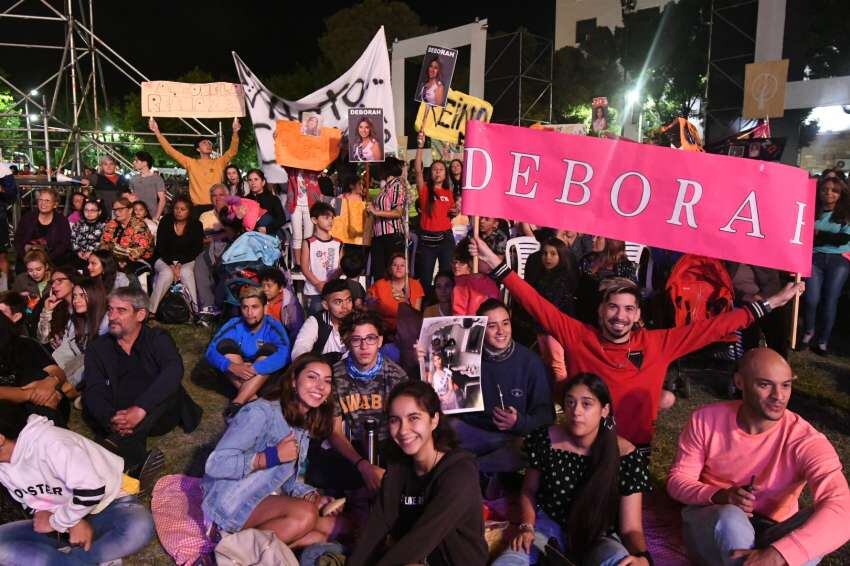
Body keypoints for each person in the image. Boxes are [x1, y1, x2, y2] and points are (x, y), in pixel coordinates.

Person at [470, 237, 805, 449]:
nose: (620, 316)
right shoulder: (578, 336)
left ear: (638, 315)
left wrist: (772, 302)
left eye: (629, 309)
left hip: (634, 450)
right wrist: (497, 265)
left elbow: (718, 326)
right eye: (612, 307)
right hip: (584, 444)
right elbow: (534, 302)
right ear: (600, 310)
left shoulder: (660, 343)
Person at [667, 348, 850, 566]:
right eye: (765, 385)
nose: (778, 396)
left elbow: (843, 509)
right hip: (712, 520)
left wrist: (778, 554)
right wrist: (719, 495)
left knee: (819, 523)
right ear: (739, 382)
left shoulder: (805, 439)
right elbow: (677, 482)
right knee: (731, 518)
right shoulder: (706, 420)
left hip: (775, 530)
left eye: (786, 385)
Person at [493, 373, 651, 566]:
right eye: (570, 402)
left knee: (619, 561)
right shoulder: (545, 439)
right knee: (510, 560)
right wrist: (527, 526)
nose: (576, 411)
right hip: (546, 526)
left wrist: (643, 558)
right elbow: (529, 490)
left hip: (598, 534)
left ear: (604, 410)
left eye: (586, 404)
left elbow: (631, 529)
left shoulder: (626, 456)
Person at [202, 354, 341, 547]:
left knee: (334, 527)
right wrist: (267, 457)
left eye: (327, 381)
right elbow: (215, 464)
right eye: (312, 377)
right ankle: (233, 551)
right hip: (230, 504)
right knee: (305, 516)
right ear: (293, 381)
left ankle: (248, 550)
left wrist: (312, 496)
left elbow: (286, 479)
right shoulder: (261, 413)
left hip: (265, 498)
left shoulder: (303, 423)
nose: (320, 386)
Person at [348, 380, 487, 566]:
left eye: (413, 418)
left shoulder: (459, 472)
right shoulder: (398, 469)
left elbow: (425, 535)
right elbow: (376, 527)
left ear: (434, 420)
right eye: (395, 420)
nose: (403, 430)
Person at [0, 412, 155, 565]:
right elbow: (29, 500)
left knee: (139, 527)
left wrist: (62, 522)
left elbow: (92, 491)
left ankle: (70, 560)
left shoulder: (51, 442)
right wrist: (63, 522)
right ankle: (79, 555)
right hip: (59, 521)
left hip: (107, 507)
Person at [82, 286, 202, 471]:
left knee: (169, 386)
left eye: (121, 310)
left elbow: (174, 369)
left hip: (158, 415)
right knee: (97, 397)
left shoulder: (156, 338)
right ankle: (133, 467)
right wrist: (111, 418)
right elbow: (93, 388)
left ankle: (115, 446)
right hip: (120, 417)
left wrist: (141, 408)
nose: (112, 316)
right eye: (110, 309)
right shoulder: (99, 348)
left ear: (140, 315)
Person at [449, 299, 554, 474]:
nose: (501, 331)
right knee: (447, 428)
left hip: (512, 437)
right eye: (492, 326)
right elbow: (439, 397)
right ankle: (469, 467)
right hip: (473, 433)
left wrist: (519, 421)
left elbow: (546, 417)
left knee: (524, 449)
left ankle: (469, 468)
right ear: (481, 330)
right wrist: (422, 362)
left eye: (505, 323)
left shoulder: (530, 362)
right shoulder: (465, 356)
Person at [326, 310, 408, 492]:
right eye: (356, 340)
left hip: (391, 447)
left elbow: (405, 428)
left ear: (380, 341)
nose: (364, 346)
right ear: (347, 342)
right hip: (352, 451)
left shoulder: (397, 376)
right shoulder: (335, 375)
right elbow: (334, 431)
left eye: (370, 338)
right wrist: (362, 464)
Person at [205, 287, 291, 420]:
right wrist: (230, 366)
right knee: (224, 345)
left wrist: (254, 369)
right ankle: (253, 399)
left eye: (255, 307)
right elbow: (210, 351)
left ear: (265, 307)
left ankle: (238, 402)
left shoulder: (273, 325)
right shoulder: (234, 324)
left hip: (264, 378)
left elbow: (285, 353)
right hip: (235, 376)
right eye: (245, 307)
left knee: (271, 349)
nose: (249, 313)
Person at [800, 175, 850, 356]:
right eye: (825, 189)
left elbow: (843, 239)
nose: (829, 193)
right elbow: (804, 234)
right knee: (811, 299)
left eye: (834, 190)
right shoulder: (811, 211)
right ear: (819, 191)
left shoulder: (845, 213)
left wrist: (818, 234)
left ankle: (822, 341)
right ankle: (808, 332)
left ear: (840, 193)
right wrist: (824, 236)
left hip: (839, 261)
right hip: (814, 258)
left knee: (830, 300)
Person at [149, 117, 240, 206]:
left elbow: (233, 151)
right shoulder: (191, 163)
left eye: (209, 143)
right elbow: (170, 151)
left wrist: (235, 132)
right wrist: (156, 131)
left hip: (218, 206)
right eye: (204, 143)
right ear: (198, 149)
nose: (208, 145)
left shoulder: (219, 162)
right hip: (198, 207)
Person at [530, 238, 579, 392]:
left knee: (558, 364)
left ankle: (561, 395)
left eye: (553, 254)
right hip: (542, 327)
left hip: (554, 329)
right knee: (545, 360)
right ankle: (550, 392)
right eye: (544, 253)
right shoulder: (541, 276)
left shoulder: (563, 278)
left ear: (561, 256)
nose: (548, 258)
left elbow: (555, 305)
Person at [0, 315, 68, 426]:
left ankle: (53, 434)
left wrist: (51, 382)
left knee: (35, 375)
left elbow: (57, 371)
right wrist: (30, 394)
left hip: (44, 404)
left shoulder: (25, 344)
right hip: (10, 412)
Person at [415, 131, 456, 295]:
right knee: (425, 278)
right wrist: (420, 146)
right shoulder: (425, 190)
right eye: (434, 169)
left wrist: (455, 210)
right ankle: (427, 307)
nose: (437, 171)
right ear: (430, 173)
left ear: (445, 174)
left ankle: (446, 306)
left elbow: (451, 212)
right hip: (427, 240)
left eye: (441, 169)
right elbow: (418, 170)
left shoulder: (449, 192)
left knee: (447, 276)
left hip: (446, 239)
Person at [50, 277, 108, 394]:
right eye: (75, 296)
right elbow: (66, 350)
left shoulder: (107, 322)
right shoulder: (75, 320)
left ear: (95, 297)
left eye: (82, 295)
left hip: (98, 370)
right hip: (77, 365)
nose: (76, 300)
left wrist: (71, 382)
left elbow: (99, 360)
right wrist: (54, 370)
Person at [149, 195, 204, 315]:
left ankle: (194, 311)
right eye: (176, 208)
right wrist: (170, 264)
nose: (179, 212)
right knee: (166, 274)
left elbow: (196, 249)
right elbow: (160, 246)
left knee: (186, 273)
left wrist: (179, 264)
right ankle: (152, 311)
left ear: (189, 211)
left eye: (183, 209)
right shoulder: (166, 221)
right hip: (163, 258)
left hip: (186, 259)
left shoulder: (196, 225)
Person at [195, 184, 236, 315]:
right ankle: (208, 306)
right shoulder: (205, 216)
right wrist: (220, 235)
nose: (217, 198)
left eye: (221, 195)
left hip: (229, 249)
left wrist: (215, 235)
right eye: (214, 195)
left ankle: (220, 303)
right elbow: (201, 238)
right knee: (200, 262)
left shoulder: (233, 212)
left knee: (227, 264)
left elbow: (233, 234)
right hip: (208, 249)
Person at [291, 278, 353, 363]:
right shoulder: (316, 322)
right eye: (338, 302)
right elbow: (299, 350)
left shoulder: (359, 321)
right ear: (325, 305)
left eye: (349, 300)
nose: (345, 307)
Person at [368, 157, 408, 282]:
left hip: (392, 235)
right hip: (379, 235)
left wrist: (376, 211)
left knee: (393, 273)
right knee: (379, 273)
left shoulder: (396, 186)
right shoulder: (386, 187)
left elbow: (398, 212)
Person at [302, 202, 343, 315]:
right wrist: (318, 284)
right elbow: (305, 268)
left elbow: (340, 267)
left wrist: (328, 284)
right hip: (313, 291)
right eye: (326, 217)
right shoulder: (308, 242)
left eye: (332, 218)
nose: (330, 221)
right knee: (315, 322)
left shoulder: (338, 243)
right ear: (314, 220)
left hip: (332, 290)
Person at [14, 188, 71, 268]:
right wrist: (26, 258)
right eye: (40, 200)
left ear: (55, 204)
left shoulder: (61, 221)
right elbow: (18, 240)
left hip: (53, 260)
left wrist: (46, 259)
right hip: (27, 259)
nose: (43, 203)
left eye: (47, 201)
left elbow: (64, 244)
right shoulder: (28, 217)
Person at [367, 253, 424, 334]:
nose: (398, 268)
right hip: (383, 330)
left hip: (407, 331)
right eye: (395, 265)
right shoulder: (378, 285)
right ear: (390, 269)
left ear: (408, 269)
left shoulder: (415, 285)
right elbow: (370, 313)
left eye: (402, 265)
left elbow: (416, 315)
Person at [100, 197, 154, 265]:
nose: (116, 213)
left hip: (139, 262)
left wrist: (114, 250)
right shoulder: (111, 223)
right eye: (115, 210)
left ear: (130, 210)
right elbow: (103, 244)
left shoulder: (140, 226)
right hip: (113, 260)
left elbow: (136, 252)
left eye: (120, 209)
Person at [36, 265, 80, 350]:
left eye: (59, 281)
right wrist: (47, 311)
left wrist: (65, 348)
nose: (53, 286)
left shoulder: (83, 306)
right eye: (52, 282)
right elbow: (42, 339)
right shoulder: (57, 307)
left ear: (72, 282)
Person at [260, 268, 304, 342]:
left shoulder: (291, 303)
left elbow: (296, 329)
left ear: (281, 288)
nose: (265, 289)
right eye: (263, 285)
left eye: (269, 286)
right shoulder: (259, 301)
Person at [330, 173, 367, 248]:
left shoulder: (362, 199)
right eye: (359, 184)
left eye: (362, 184)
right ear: (351, 186)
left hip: (356, 236)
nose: (362, 187)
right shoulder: (341, 197)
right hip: (345, 235)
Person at [245, 168, 285, 235]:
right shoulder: (245, 200)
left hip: (270, 234)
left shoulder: (273, 199)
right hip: (251, 235)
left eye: (256, 179)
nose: (253, 183)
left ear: (263, 182)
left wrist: (267, 229)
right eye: (250, 180)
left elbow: (281, 219)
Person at [129, 150, 166, 220]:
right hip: (135, 216)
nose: (133, 162)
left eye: (136, 161)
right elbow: (131, 197)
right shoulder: (133, 178)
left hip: (152, 216)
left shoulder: (157, 178)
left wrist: (156, 217)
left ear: (145, 163)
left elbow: (162, 199)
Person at [70, 198, 106, 269]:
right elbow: (73, 239)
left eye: (92, 210)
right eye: (86, 210)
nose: (89, 213)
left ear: (99, 212)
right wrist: (78, 251)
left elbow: (102, 243)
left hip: (96, 259)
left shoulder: (104, 226)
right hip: (78, 257)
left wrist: (91, 252)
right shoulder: (78, 224)